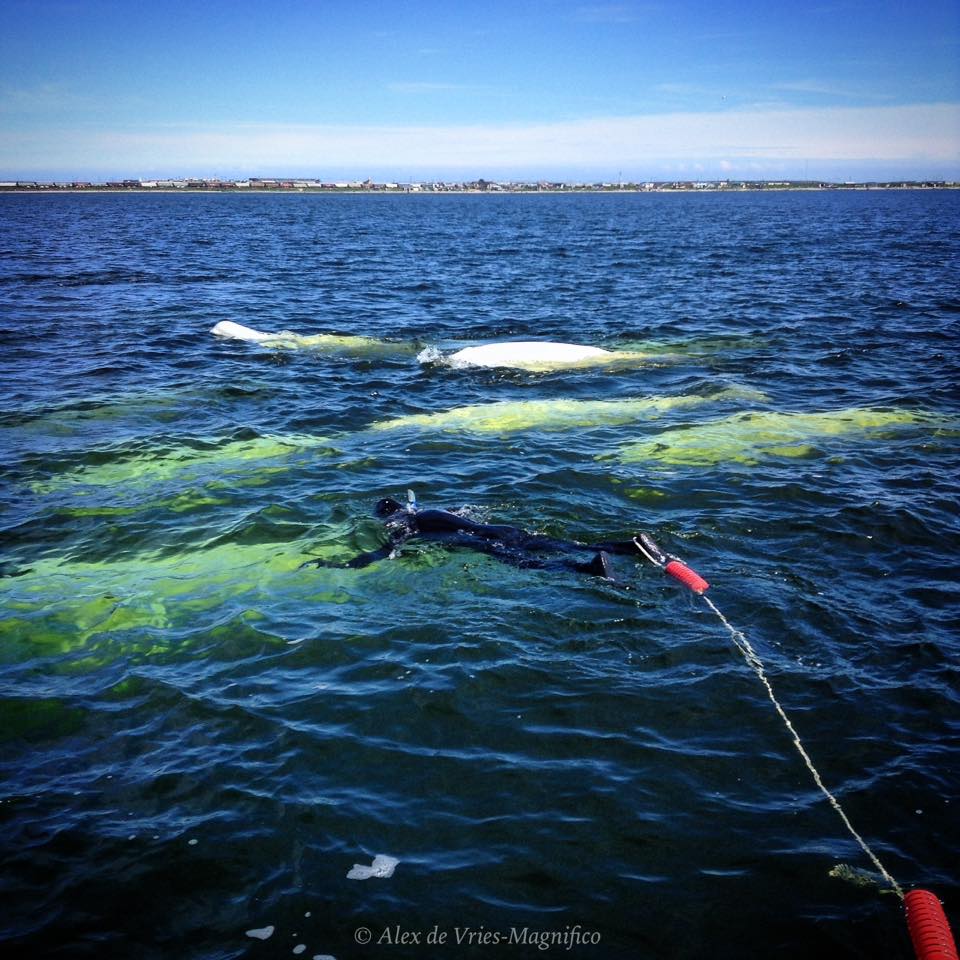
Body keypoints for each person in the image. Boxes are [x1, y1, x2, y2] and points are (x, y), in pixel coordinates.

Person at [305, 493, 650, 580]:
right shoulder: (433, 511)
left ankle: (585, 570)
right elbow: (468, 511)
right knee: (562, 543)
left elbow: (385, 553)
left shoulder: (406, 526)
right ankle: (627, 547)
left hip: (485, 542)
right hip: (501, 530)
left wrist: (346, 565)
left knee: (525, 563)